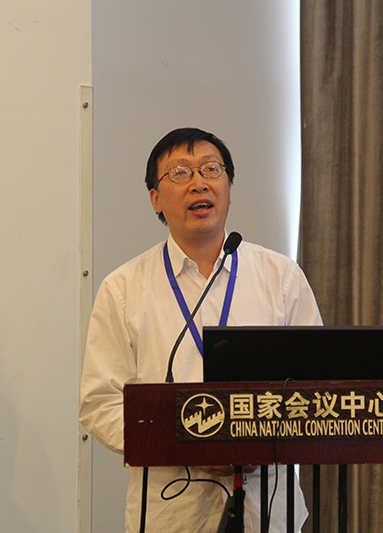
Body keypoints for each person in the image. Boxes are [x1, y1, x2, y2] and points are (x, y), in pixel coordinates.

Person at [79, 127, 322, 532]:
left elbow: (318, 389)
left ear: (228, 188)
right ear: (155, 198)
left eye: (211, 169)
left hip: (267, 508)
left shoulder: (280, 277)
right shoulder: (123, 289)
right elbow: (100, 403)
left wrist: (266, 441)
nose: (199, 183)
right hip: (172, 512)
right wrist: (184, 444)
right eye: (180, 173)